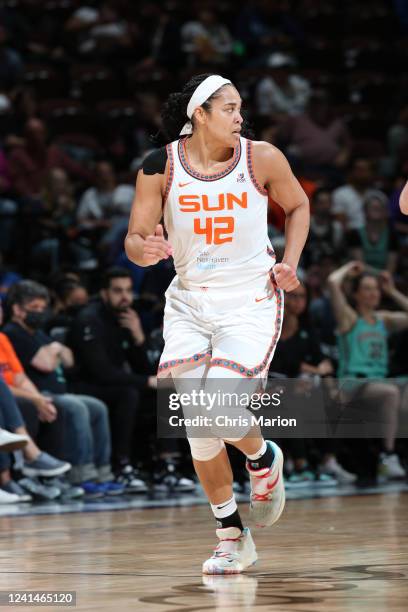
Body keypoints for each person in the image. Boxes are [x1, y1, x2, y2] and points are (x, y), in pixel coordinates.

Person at [125, 74, 309, 574]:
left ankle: (263, 455)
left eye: (241, 108)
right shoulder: (158, 165)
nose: (239, 117)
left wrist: (289, 261)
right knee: (199, 433)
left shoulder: (262, 156)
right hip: (188, 302)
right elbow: (135, 239)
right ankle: (231, 536)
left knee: (220, 410)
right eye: (229, 108)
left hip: (249, 300)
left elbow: (297, 205)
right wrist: (145, 250)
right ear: (199, 114)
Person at [3, 280, 122, 496]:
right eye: (34, 309)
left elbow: (69, 359)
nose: (40, 313)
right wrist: (56, 349)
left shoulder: (37, 333)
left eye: (42, 308)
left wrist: (55, 350)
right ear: (17, 309)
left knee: (97, 406)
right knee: (75, 407)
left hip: (49, 392)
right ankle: (80, 475)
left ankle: (102, 472)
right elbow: (47, 362)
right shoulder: (14, 333)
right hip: (38, 394)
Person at [67, 267, 158, 492]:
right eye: (118, 291)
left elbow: (145, 367)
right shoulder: (89, 319)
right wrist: (146, 382)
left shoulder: (127, 319)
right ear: (104, 293)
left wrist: (138, 337)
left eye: (128, 290)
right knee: (129, 394)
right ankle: (121, 465)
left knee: (165, 393)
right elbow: (102, 372)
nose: (125, 297)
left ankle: (168, 465)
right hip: (83, 385)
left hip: (113, 383)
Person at [328, 261, 408, 479]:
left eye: (376, 289)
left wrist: (392, 290)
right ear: (356, 294)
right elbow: (333, 282)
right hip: (354, 381)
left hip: (379, 381)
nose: (373, 293)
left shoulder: (383, 320)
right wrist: (349, 268)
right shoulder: (350, 319)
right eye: (367, 288)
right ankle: (387, 455)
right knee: (390, 393)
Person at [346, 191, 399, 273]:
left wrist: (384, 277)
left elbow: (391, 265)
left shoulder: (392, 235)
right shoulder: (355, 234)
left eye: (379, 208)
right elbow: (359, 265)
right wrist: (378, 275)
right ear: (365, 211)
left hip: (385, 279)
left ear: (385, 211)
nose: (376, 210)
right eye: (373, 208)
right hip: (361, 277)